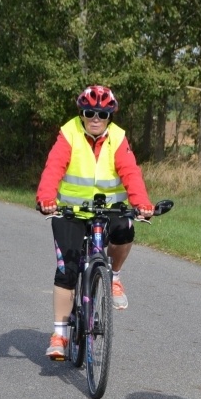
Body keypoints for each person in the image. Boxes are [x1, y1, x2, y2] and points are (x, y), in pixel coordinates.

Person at [36, 85, 154, 360]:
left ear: (110, 115)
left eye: (103, 113)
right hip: (71, 211)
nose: (96, 118)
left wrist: (141, 204)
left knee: (126, 229)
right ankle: (60, 334)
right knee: (67, 267)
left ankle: (113, 276)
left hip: (108, 210)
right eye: (90, 112)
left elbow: (130, 173)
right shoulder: (70, 134)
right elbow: (54, 168)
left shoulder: (118, 138)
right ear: (82, 113)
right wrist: (46, 198)